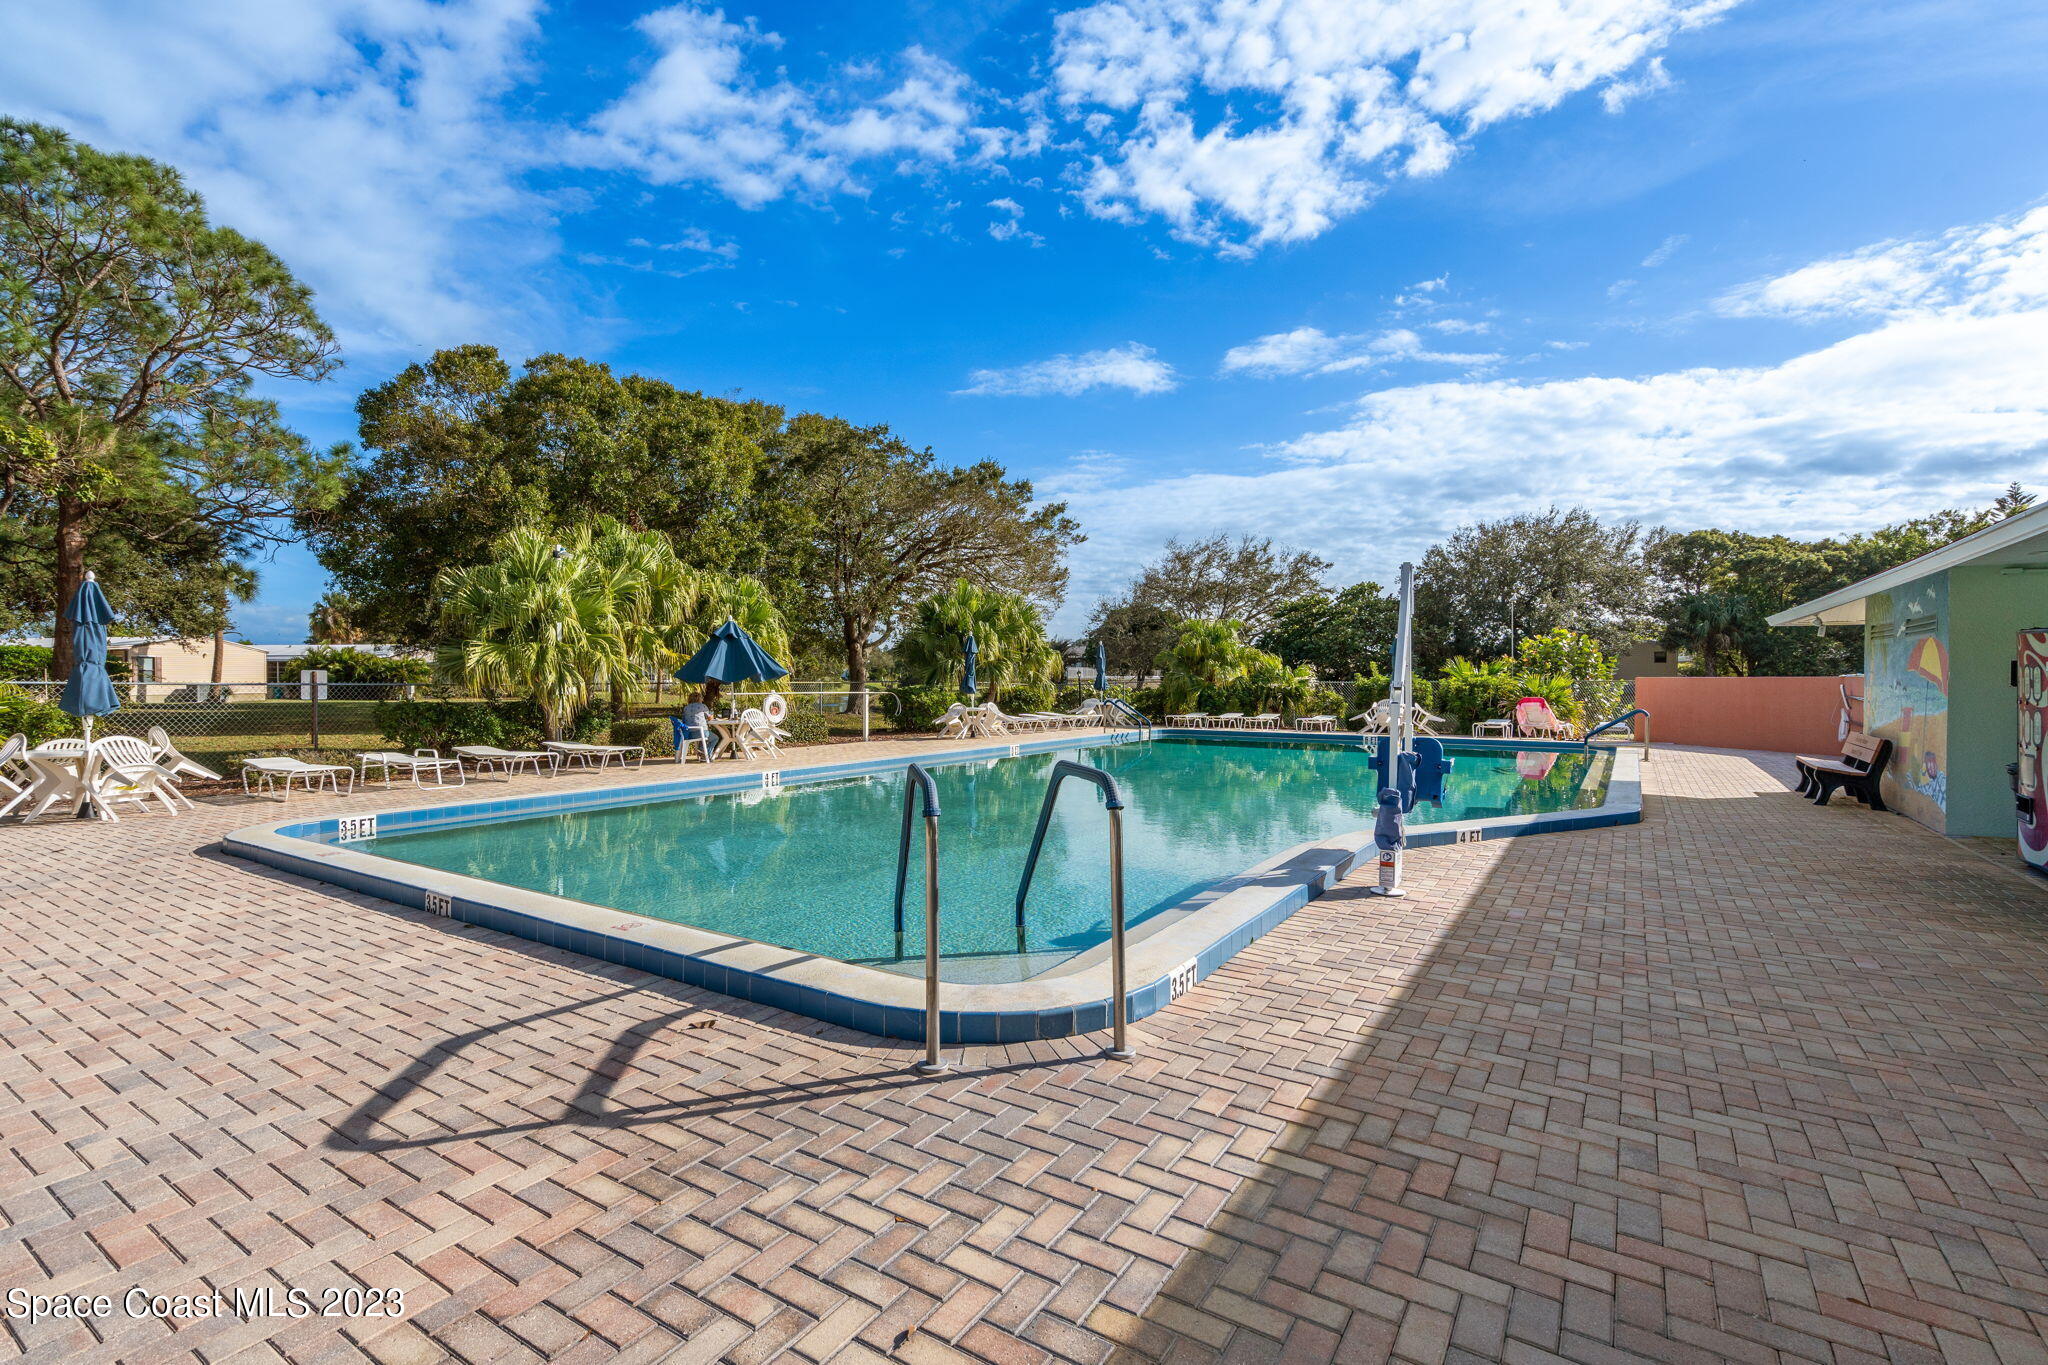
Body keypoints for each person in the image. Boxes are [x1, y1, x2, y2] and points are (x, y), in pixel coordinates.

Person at [673, 692, 716, 763]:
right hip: (701, 732)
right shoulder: (702, 706)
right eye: (701, 697)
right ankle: (705, 755)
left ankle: (702, 751)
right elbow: (710, 718)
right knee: (715, 738)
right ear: (699, 698)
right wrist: (711, 714)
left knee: (703, 736)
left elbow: (684, 719)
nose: (702, 699)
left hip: (688, 733)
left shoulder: (686, 708)